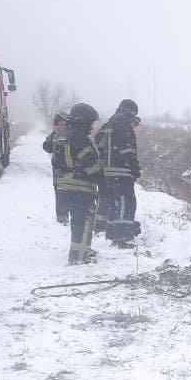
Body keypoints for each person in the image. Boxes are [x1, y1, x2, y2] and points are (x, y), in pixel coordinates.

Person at [53, 102, 102, 264]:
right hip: (81, 188)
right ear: (84, 120)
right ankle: (80, 256)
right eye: (91, 122)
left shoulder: (63, 136)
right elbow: (90, 165)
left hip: (64, 187)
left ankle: (79, 251)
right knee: (84, 221)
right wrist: (101, 177)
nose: (91, 126)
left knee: (77, 221)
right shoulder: (81, 139)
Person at [94, 99, 142, 246]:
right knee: (125, 203)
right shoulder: (122, 121)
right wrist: (134, 166)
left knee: (116, 203)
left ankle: (115, 234)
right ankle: (121, 239)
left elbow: (98, 140)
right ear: (131, 111)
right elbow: (126, 147)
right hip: (121, 170)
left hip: (110, 171)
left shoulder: (110, 122)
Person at [42, 111, 70, 223]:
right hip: (58, 171)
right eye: (60, 124)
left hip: (70, 170)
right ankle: (62, 218)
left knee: (70, 193)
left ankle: (69, 215)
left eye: (65, 124)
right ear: (56, 125)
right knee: (60, 194)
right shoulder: (54, 136)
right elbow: (47, 147)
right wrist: (54, 134)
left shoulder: (72, 135)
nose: (62, 127)